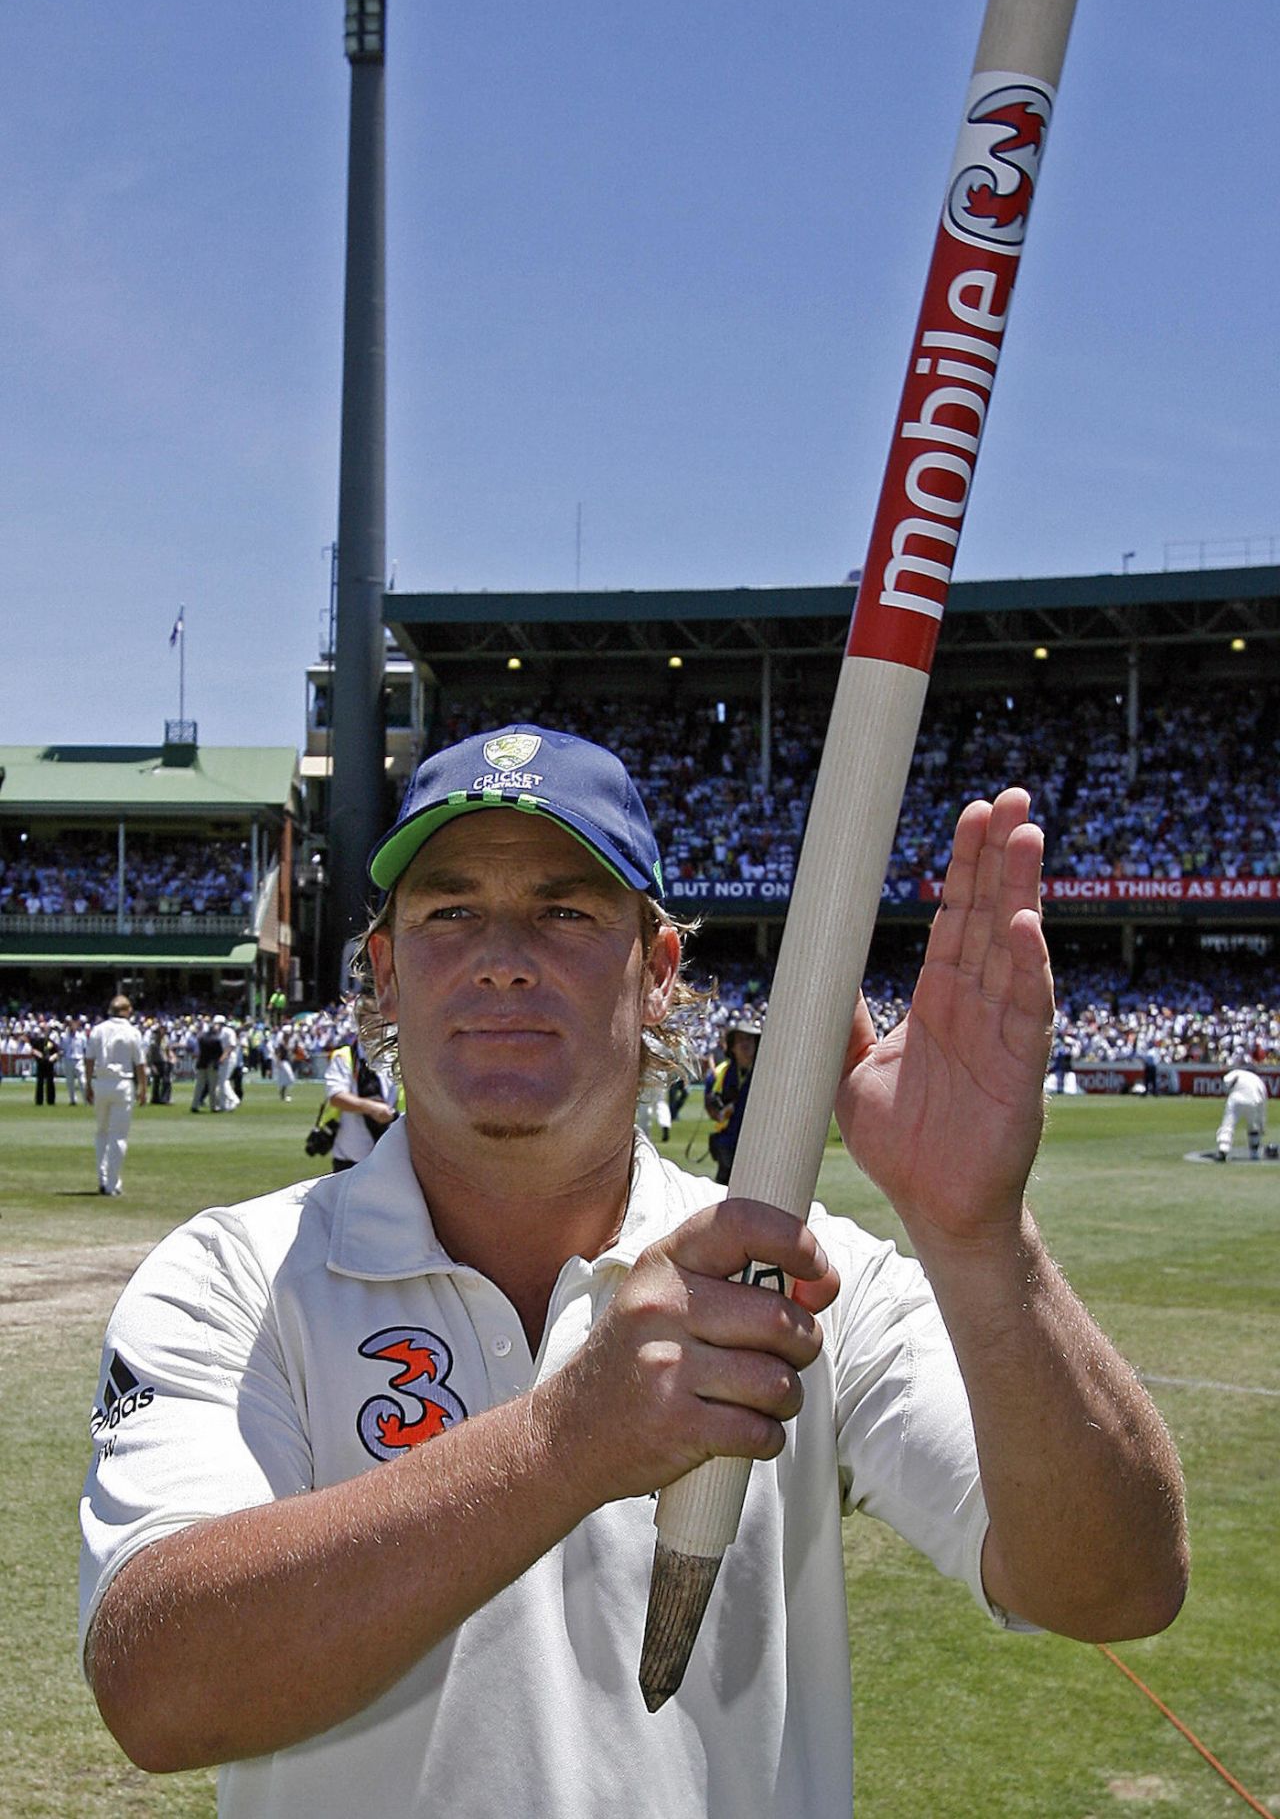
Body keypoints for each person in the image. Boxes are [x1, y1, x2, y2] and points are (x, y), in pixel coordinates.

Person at [79, 725, 1187, 1813]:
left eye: (563, 910)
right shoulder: (232, 1275)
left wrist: (977, 1239)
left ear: (658, 970)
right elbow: (158, 1692)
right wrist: (569, 1440)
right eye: (448, 910)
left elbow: (1112, 1584)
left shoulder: (802, 1278)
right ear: (386, 967)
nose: (502, 956)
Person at [84, 995, 147, 1198]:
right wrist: (143, 1088)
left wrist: (88, 1084)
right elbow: (140, 1064)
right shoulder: (132, 1032)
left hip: (101, 1081)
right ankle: (112, 1183)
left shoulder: (98, 1029)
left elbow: (89, 1060)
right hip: (122, 1083)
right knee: (118, 1135)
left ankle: (103, 1178)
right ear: (128, 1010)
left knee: (101, 1132)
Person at [321, 1029, 398, 1172]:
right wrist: (371, 1108)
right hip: (351, 1156)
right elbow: (336, 1097)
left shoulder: (396, 1056)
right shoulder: (344, 1056)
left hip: (391, 1154)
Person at [704, 1017, 761, 1184]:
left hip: (755, 1145)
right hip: (727, 1143)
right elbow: (711, 1108)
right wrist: (717, 1108)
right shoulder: (720, 1073)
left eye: (750, 1039)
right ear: (732, 1046)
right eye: (741, 1040)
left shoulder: (765, 1073)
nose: (746, 1044)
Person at [1215, 1057, 1269, 1161]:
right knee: (1254, 1127)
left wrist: (1229, 1089)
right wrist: (1262, 1125)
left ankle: (1223, 1149)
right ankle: (1254, 1153)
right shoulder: (1259, 1081)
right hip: (1254, 1101)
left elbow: (1226, 1081)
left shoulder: (1238, 1072)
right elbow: (1263, 1104)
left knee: (1228, 1124)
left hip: (1236, 1099)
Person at [61, 1016, 89, 1105]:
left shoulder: (81, 1036)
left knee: (82, 1081)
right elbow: (62, 1048)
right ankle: (72, 1100)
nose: (72, 1027)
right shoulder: (64, 1037)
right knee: (70, 1082)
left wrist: (86, 1060)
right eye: (70, 1025)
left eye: (73, 1025)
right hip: (68, 1059)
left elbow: (85, 1049)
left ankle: (86, 1099)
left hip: (79, 1060)